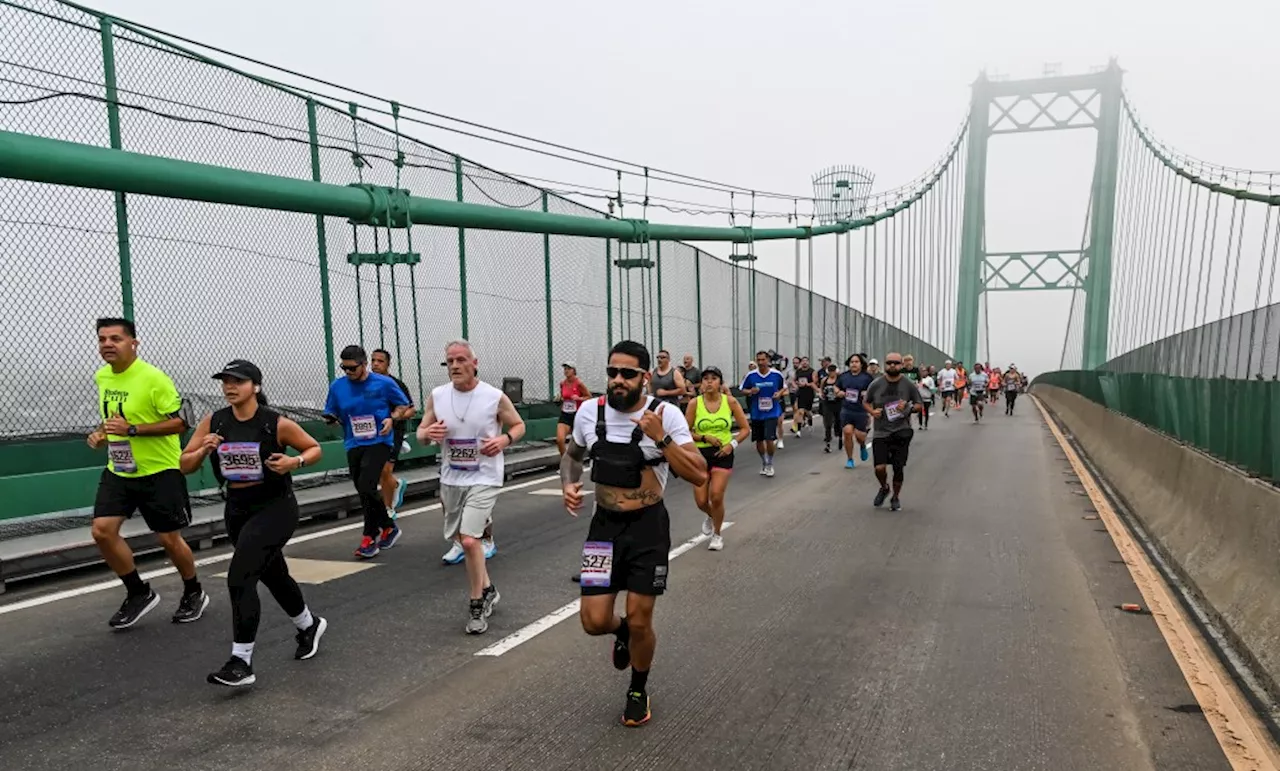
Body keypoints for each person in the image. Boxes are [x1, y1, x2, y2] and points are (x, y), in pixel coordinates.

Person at [560, 340, 706, 727]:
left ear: (644, 377)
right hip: (603, 529)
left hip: (648, 529)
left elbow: (698, 473)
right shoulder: (590, 413)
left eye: (627, 373)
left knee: (642, 618)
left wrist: (661, 438)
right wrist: (568, 485)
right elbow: (572, 456)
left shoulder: (666, 414)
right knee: (593, 621)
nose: (618, 380)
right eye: (612, 372)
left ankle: (638, 689)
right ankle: (621, 631)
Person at [179, 360, 328, 687]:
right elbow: (185, 463)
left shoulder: (274, 423)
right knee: (273, 575)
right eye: (225, 382)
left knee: (240, 577)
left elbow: (314, 448)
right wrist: (203, 449)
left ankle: (241, 661)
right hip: (237, 508)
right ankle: (309, 625)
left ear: (255, 387)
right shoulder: (214, 422)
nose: (230, 387)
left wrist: (295, 461)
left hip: (275, 507)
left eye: (238, 381)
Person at [88, 317, 206, 629]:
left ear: (133, 343)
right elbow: (112, 419)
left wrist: (133, 429)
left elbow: (181, 423)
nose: (108, 345)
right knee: (102, 530)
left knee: (169, 539)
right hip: (120, 469)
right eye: (102, 339)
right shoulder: (103, 377)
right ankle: (138, 592)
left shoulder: (154, 378)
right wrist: (101, 433)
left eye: (115, 339)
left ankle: (194, 591)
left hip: (160, 470)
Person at [418, 340, 526, 634]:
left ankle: (476, 605)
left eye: (461, 360)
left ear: (474, 363)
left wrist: (504, 440)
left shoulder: (493, 396)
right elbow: (420, 434)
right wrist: (428, 433)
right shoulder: (438, 396)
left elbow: (518, 425)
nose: (454, 366)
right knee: (463, 540)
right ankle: (488, 588)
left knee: (468, 540)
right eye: (450, 361)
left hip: (485, 476)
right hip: (452, 478)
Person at [323, 344, 413, 559]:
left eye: (353, 368)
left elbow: (403, 406)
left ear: (364, 365)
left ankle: (369, 537)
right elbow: (330, 411)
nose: (349, 372)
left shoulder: (384, 383)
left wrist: (393, 418)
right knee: (362, 488)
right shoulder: (337, 387)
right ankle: (389, 526)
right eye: (344, 368)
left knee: (366, 484)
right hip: (353, 442)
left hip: (379, 440)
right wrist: (331, 419)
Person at [685, 367, 750, 551]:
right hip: (699, 455)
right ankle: (713, 515)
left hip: (723, 454)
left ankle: (717, 534)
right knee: (701, 501)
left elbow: (745, 429)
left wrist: (732, 445)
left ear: (720, 383)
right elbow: (685, 431)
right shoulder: (694, 404)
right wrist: (704, 438)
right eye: (705, 379)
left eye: (713, 378)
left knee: (716, 496)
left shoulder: (730, 402)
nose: (709, 382)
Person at [863, 353, 923, 511]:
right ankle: (884, 487)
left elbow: (919, 405)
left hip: (901, 430)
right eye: (889, 363)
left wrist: (908, 408)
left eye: (896, 363)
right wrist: (872, 412)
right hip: (881, 432)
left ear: (901, 365)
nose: (892, 366)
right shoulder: (876, 384)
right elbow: (866, 402)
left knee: (898, 467)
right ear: (885, 364)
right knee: (879, 468)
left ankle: (896, 497)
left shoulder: (908, 385)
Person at [370, 349, 416, 520]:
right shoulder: (366, 384)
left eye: (380, 361)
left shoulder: (395, 384)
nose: (375, 364)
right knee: (379, 473)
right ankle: (396, 484)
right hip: (372, 434)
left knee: (385, 469)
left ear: (388, 364)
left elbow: (411, 410)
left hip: (393, 433)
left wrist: (393, 418)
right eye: (373, 360)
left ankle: (388, 508)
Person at [739, 351, 786, 477]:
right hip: (756, 413)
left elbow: (784, 388)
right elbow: (742, 390)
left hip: (772, 412)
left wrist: (779, 394)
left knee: (769, 438)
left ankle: (770, 463)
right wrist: (750, 391)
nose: (760, 363)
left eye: (763, 360)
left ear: (768, 360)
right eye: (758, 360)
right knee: (759, 440)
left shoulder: (776, 374)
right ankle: (764, 461)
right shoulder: (751, 375)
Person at [835, 354, 874, 469]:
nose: (854, 364)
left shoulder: (867, 377)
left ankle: (862, 445)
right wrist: (838, 392)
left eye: (856, 362)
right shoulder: (843, 376)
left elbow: (873, 390)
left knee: (859, 436)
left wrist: (867, 393)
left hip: (861, 411)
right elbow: (836, 387)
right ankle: (850, 459)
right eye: (852, 362)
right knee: (847, 432)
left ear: (861, 364)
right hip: (846, 409)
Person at [555, 362, 592, 456]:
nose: (566, 371)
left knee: (577, 444)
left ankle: (581, 459)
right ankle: (565, 460)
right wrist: (560, 399)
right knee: (560, 440)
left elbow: (589, 397)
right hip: (565, 414)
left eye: (568, 369)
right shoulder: (562, 383)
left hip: (577, 415)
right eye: (565, 369)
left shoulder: (579, 383)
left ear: (574, 370)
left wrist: (579, 398)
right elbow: (563, 396)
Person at [819, 364, 842, 453]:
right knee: (828, 424)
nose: (832, 373)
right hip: (827, 403)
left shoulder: (840, 380)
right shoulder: (824, 380)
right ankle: (828, 443)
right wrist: (821, 394)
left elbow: (844, 389)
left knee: (838, 421)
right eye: (830, 371)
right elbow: (821, 389)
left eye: (833, 371)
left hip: (838, 403)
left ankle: (840, 437)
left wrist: (840, 393)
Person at [790, 357, 816, 437]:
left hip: (809, 393)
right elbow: (793, 380)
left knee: (808, 411)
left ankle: (810, 421)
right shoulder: (798, 371)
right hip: (800, 393)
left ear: (808, 362)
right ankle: (798, 431)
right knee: (800, 411)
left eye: (806, 361)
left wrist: (807, 384)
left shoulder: (812, 371)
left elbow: (815, 381)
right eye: (803, 361)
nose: (804, 363)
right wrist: (796, 386)